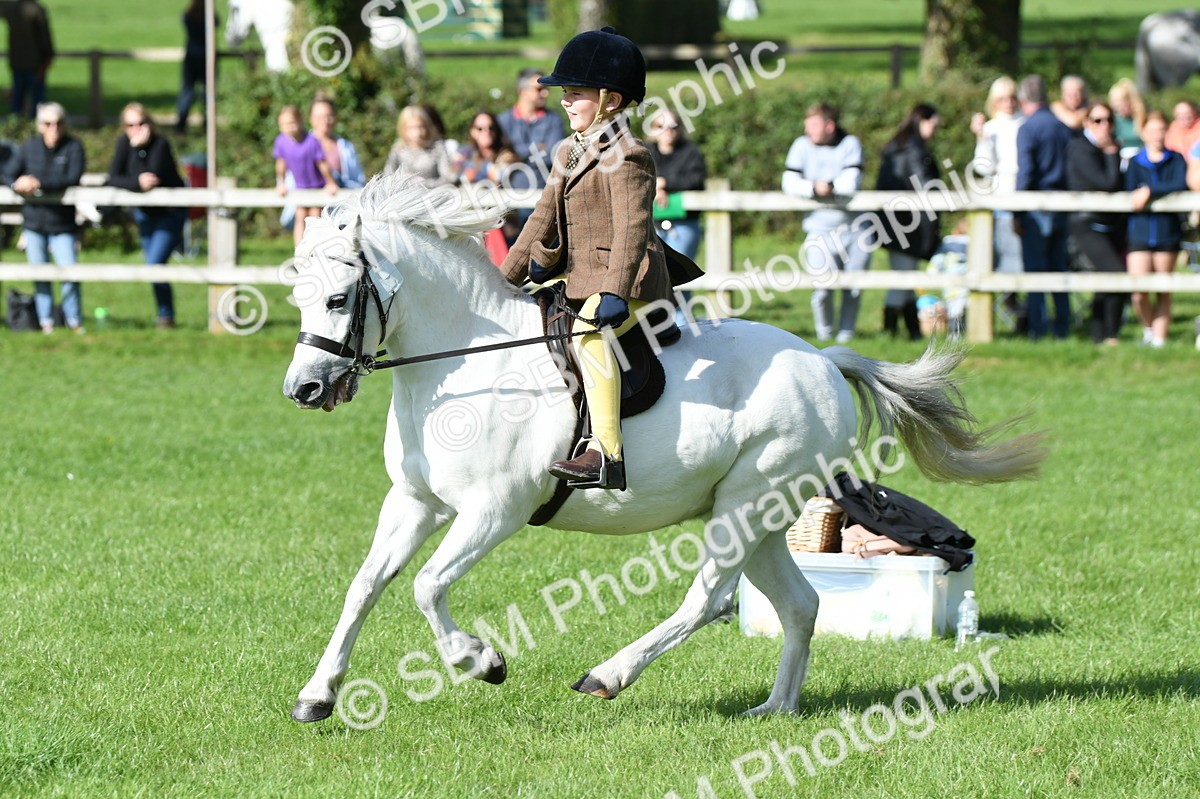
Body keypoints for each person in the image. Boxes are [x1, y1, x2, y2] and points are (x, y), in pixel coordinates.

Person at [500, 27, 702, 490]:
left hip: (631, 284)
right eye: (564, 94)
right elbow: (540, 220)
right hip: (581, 279)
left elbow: (632, 230)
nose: (565, 102)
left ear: (610, 100)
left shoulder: (629, 155)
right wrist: (503, 279)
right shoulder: (568, 151)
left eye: (574, 94)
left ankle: (606, 453)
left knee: (589, 338)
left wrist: (614, 289)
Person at [781, 102, 868, 343]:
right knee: (822, 287)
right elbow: (788, 181)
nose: (808, 129)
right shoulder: (801, 145)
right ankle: (824, 334)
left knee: (854, 287)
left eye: (814, 124)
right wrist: (812, 188)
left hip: (855, 229)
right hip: (818, 229)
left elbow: (852, 180)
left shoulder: (850, 144)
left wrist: (828, 187)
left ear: (830, 126)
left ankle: (847, 335)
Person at [107, 103, 188, 328]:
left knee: (154, 263)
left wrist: (138, 154)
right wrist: (136, 170)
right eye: (130, 125)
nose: (137, 129)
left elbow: (152, 177)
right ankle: (165, 316)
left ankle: (165, 316)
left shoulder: (161, 144)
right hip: (145, 214)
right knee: (153, 267)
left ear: (150, 123)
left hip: (170, 214)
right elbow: (114, 177)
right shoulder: (125, 144)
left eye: (141, 123)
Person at [6, 101, 84, 333]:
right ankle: (46, 321)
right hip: (34, 222)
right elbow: (8, 172)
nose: (54, 128)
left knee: (69, 273)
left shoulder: (73, 147)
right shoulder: (29, 147)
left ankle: (74, 320)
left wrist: (39, 183)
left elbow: (72, 177)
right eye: (48, 123)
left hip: (63, 223)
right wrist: (17, 183)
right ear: (40, 126)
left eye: (58, 123)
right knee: (40, 274)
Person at [876, 103, 942, 340]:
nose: (935, 131)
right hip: (907, 224)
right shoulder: (914, 149)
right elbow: (925, 186)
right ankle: (891, 330)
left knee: (906, 276)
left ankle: (910, 331)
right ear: (922, 120)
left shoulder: (898, 146)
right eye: (933, 125)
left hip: (895, 221)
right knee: (903, 277)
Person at [1016, 74, 1075, 340]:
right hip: (1062, 205)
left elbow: (1026, 173)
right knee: (1059, 268)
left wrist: (1017, 210)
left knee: (1036, 271)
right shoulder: (1062, 127)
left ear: (1023, 99)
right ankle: (1062, 327)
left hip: (1036, 207)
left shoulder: (1028, 128)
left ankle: (1038, 329)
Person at [1066, 103, 1127, 345]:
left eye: (1109, 120)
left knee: (1106, 280)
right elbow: (1108, 182)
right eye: (1098, 120)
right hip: (1086, 224)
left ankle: (1100, 336)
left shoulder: (1111, 146)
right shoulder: (1080, 148)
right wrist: (1112, 152)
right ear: (1087, 123)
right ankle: (1110, 336)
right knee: (1116, 275)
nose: (1105, 126)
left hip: (1110, 224)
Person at [1128, 111, 1187, 348]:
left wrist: (1150, 190)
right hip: (1140, 232)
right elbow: (1129, 189)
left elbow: (1179, 183)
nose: (1157, 135)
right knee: (1139, 291)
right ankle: (1148, 328)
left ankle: (1160, 341)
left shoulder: (1176, 159)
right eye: (1152, 130)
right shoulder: (1135, 162)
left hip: (1167, 232)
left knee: (1163, 289)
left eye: (1161, 130)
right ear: (1143, 133)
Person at [497, 66, 566, 236]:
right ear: (523, 90)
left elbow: (553, 155)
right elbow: (498, 155)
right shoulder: (503, 120)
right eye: (539, 89)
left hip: (543, 197)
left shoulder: (554, 120)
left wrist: (518, 154)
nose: (545, 94)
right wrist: (538, 148)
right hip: (508, 200)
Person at [280, 96, 366, 232]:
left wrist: (336, 186)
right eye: (319, 116)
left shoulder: (346, 147)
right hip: (305, 207)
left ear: (335, 117)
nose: (325, 121)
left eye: (329, 115)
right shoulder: (298, 146)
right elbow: (289, 176)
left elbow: (358, 182)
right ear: (310, 119)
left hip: (339, 211)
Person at [971, 75, 1025, 280]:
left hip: (1025, 195)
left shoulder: (1026, 124)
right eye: (1002, 99)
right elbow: (984, 167)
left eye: (1011, 97)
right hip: (1002, 197)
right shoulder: (992, 128)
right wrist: (982, 138)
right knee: (1009, 255)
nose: (1008, 103)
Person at [455, 110, 519, 264]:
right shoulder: (463, 151)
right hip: (468, 216)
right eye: (480, 128)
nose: (486, 132)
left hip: (501, 219)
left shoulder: (507, 154)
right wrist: (485, 169)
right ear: (472, 131)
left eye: (491, 128)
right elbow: (456, 174)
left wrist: (473, 168)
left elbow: (497, 176)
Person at [273, 103, 339, 247]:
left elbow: (322, 164)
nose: (287, 127)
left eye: (291, 123)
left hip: (317, 187)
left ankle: (314, 250)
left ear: (300, 121)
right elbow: (281, 165)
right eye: (283, 124)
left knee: (314, 217)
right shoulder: (281, 142)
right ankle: (299, 253)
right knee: (300, 216)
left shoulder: (311, 141)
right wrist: (281, 183)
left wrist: (330, 182)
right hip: (300, 188)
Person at [647, 106, 707, 262]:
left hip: (684, 224)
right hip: (651, 224)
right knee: (653, 280)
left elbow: (696, 179)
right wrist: (657, 187)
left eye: (673, 126)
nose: (668, 130)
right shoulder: (645, 152)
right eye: (661, 126)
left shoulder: (690, 152)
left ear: (680, 128)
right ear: (653, 128)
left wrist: (664, 183)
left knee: (680, 279)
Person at [0, 0, 54, 118]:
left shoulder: (11, 8)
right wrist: (48, 57)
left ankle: (15, 129)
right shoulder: (36, 9)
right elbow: (44, 36)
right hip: (35, 63)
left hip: (17, 62)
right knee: (38, 103)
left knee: (17, 101)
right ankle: (36, 130)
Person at [383, 104, 456, 187]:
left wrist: (422, 183)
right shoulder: (398, 149)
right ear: (403, 128)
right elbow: (388, 177)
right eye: (411, 128)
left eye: (420, 127)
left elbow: (448, 179)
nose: (417, 133)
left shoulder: (437, 147)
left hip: (434, 196)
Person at [175, 0, 214, 133]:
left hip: (191, 57)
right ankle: (207, 124)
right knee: (207, 92)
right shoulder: (210, 17)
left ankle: (181, 124)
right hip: (207, 57)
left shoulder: (188, 16)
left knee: (187, 91)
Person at [1107, 78, 1145, 157]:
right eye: (1114, 103)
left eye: (1121, 104)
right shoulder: (1113, 120)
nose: (1117, 108)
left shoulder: (1144, 118)